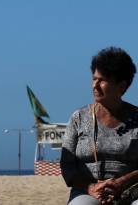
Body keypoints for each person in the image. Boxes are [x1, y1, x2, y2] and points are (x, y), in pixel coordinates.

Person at [61, 47, 138, 205]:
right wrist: (91, 188)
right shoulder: (79, 118)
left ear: (121, 86)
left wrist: (122, 182)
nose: (94, 85)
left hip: (132, 193)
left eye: (102, 81)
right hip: (87, 192)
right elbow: (67, 165)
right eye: (94, 79)